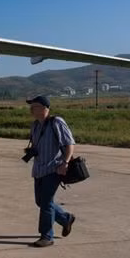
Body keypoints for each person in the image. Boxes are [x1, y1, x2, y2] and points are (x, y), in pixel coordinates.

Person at [25, 95, 77, 247]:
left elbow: (69, 144)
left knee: (46, 202)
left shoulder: (57, 122)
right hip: (39, 169)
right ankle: (65, 218)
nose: (31, 109)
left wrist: (65, 163)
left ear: (44, 108)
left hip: (54, 168)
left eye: (34, 106)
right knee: (40, 201)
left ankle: (47, 236)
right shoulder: (35, 125)